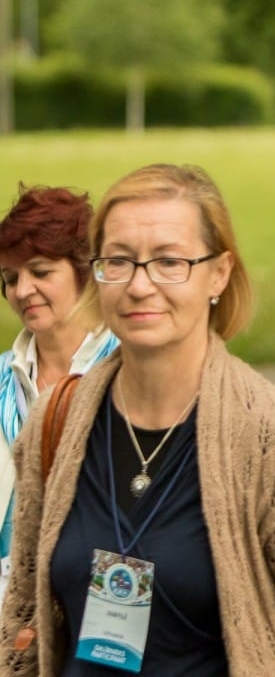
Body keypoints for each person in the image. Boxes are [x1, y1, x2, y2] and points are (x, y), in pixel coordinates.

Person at [0, 164, 275, 675]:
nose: (139, 285)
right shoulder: (57, 420)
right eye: (118, 261)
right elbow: (22, 620)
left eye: (169, 262)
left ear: (219, 273)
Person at [0, 186, 118, 602]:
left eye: (40, 271)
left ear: (83, 270)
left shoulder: (129, 369)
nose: (23, 290)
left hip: (108, 601)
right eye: (11, 278)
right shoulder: (2, 378)